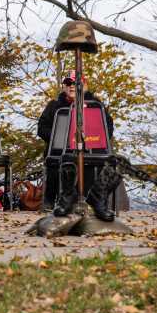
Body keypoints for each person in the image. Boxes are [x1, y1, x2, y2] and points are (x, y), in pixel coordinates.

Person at [37, 71, 115, 221]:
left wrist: (93, 140)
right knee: (56, 159)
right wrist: (58, 138)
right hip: (59, 149)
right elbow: (42, 129)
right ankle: (51, 201)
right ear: (63, 86)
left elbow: (108, 128)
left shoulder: (96, 105)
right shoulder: (54, 106)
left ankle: (92, 201)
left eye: (75, 83)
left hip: (89, 149)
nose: (71, 86)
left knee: (94, 162)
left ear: (84, 85)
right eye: (68, 83)